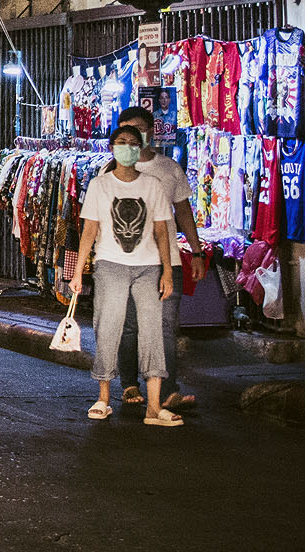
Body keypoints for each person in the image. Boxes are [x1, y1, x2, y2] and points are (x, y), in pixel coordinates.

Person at [69, 124, 181, 427]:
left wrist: (167, 272)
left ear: (141, 146)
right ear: (112, 147)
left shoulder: (153, 185)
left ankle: (154, 407)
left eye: (133, 142)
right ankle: (103, 397)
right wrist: (79, 272)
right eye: (121, 142)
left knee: (152, 332)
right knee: (108, 327)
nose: (128, 146)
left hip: (148, 267)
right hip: (110, 264)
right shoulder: (100, 185)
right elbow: (89, 230)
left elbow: (161, 231)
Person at [113, 105, 206, 412]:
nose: (132, 135)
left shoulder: (169, 169)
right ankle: (129, 384)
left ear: (150, 132)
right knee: (130, 327)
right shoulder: (109, 171)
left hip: (168, 263)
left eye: (137, 128)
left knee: (165, 327)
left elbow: (184, 213)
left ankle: (168, 390)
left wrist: (196, 251)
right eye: (125, 129)